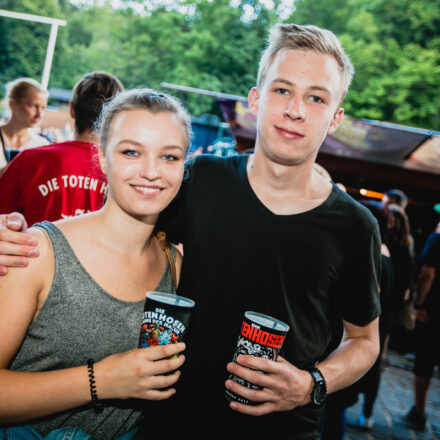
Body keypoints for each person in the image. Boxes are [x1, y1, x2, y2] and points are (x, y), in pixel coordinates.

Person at [0, 23, 381, 439]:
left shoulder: (355, 227)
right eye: (282, 90)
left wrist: (313, 385)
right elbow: (118, 222)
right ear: (255, 100)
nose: (295, 109)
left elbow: (365, 340)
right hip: (169, 425)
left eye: (316, 97)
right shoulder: (199, 180)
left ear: (335, 118)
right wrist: (12, 235)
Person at [0, 88, 191, 439]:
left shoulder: (174, 265)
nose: (152, 172)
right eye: (131, 152)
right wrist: (100, 380)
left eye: (169, 157)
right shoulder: (37, 252)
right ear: (102, 157)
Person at [0, 72, 123, 227]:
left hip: (35, 250)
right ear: (117, 117)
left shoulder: (30, 160)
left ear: (72, 109)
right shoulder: (126, 172)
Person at [321, 201, 395, 438]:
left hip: (353, 336)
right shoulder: (386, 254)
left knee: (334, 411)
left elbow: (364, 302)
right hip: (371, 329)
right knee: (336, 410)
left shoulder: (375, 259)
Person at [404, 221, 440, 432]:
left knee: (425, 362)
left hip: (433, 312)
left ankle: (419, 411)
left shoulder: (436, 240)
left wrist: (419, 303)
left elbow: (427, 275)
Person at [0, 78, 49, 173]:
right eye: (34, 106)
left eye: (43, 108)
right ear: (13, 104)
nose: (39, 114)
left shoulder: (42, 146)